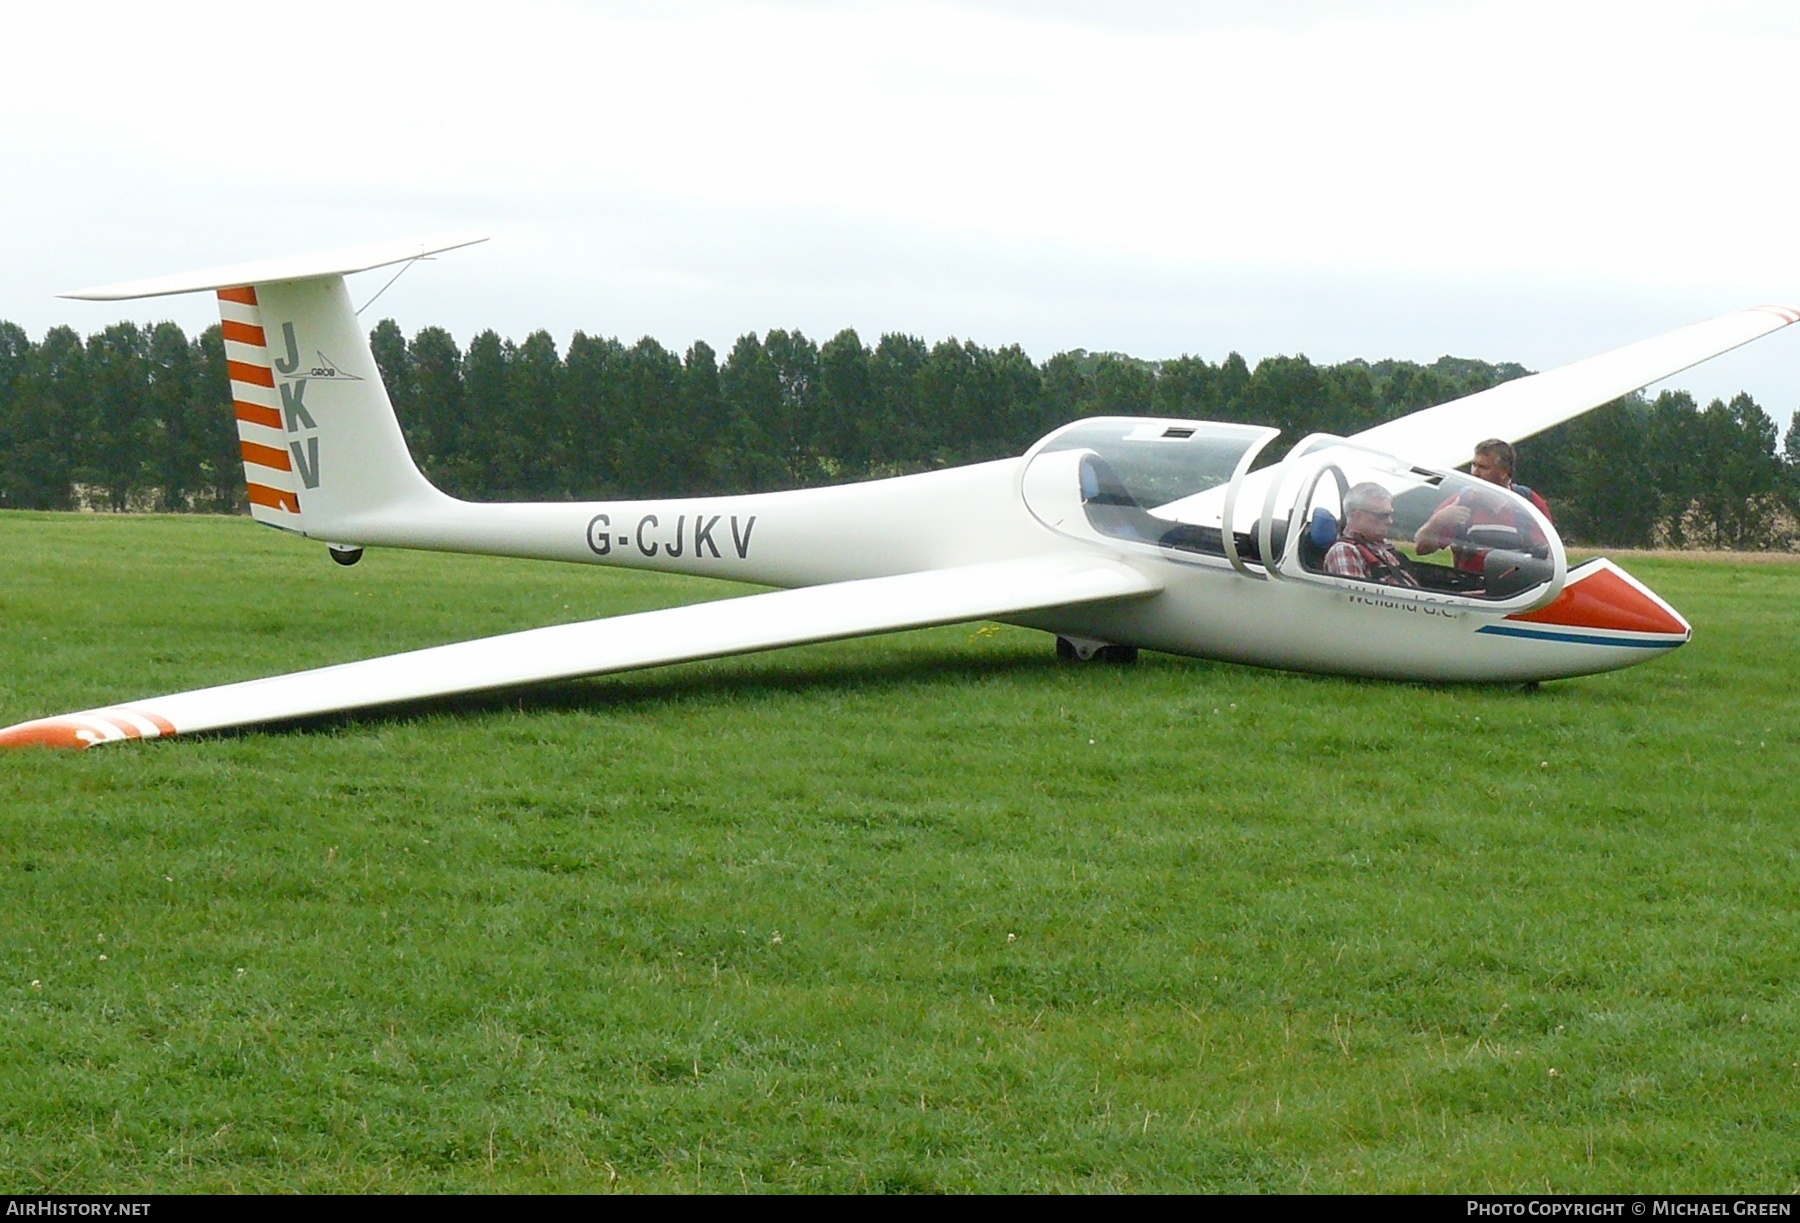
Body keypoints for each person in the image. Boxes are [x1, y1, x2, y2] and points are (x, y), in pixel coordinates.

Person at [1413, 438, 1551, 573]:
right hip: (1471, 591)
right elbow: (1421, 549)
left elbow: (1550, 557)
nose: (1475, 473)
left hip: (1519, 593)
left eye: (1483, 467)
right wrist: (1437, 522)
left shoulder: (1529, 502)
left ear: (1504, 472)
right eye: (1474, 465)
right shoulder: (1461, 501)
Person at [1323, 482, 1420, 587]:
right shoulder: (1344, 551)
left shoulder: (1382, 547)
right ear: (1357, 516)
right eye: (1383, 515)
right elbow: (1354, 599)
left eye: (1390, 514)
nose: (1390, 521)